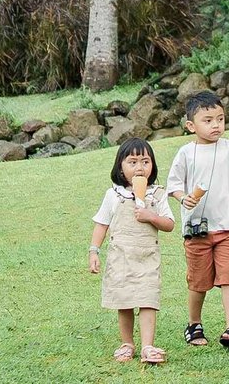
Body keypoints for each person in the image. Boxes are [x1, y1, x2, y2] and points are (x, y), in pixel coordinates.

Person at [166, 90, 229, 350]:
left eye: (220, 119)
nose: (216, 125)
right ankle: (194, 323)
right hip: (197, 230)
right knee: (198, 282)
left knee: (228, 277)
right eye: (208, 120)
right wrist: (183, 197)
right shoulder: (186, 153)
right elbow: (174, 184)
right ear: (191, 126)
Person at [88, 138, 176, 365]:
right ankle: (127, 343)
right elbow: (102, 224)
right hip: (121, 257)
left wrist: (151, 216)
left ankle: (148, 345)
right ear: (120, 167)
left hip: (148, 257)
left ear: (153, 166)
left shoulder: (157, 194)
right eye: (133, 162)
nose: (139, 167)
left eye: (145, 162)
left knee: (148, 299)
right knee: (124, 300)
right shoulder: (114, 195)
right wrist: (94, 251)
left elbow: (169, 224)